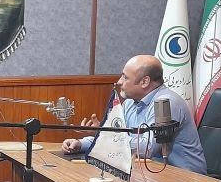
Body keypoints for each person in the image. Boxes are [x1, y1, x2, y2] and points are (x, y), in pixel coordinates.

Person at [62, 55, 206, 174]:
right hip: (150, 174)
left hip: (186, 179)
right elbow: (116, 135)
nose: (119, 82)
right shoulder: (129, 103)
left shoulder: (166, 104)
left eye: (125, 77)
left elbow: (147, 148)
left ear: (145, 81)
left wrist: (103, 133)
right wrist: (81, 144)